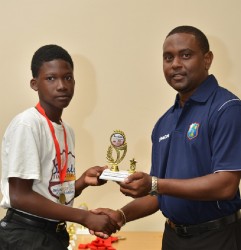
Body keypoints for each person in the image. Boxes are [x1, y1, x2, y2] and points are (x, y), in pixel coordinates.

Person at [92, 26, 241, 249]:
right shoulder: (164, 123)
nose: (175, 64)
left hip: (217, 238)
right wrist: (120, 215)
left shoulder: (226, 109)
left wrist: (155, 184)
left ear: (207, 59)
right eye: (168, 57)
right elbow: (157, 193)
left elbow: (225, 185)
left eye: (186, 55)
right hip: (172, 238)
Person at [0, 44, 119, 250]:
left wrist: (82, 182)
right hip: (25, 236)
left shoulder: (67, 130)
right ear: (34, 84)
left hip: (53, 234)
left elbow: (50, 193)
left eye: (68, 77)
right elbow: (20, 196)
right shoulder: (27, 125)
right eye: (51, 78)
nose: (62, 85)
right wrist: (84, 217)